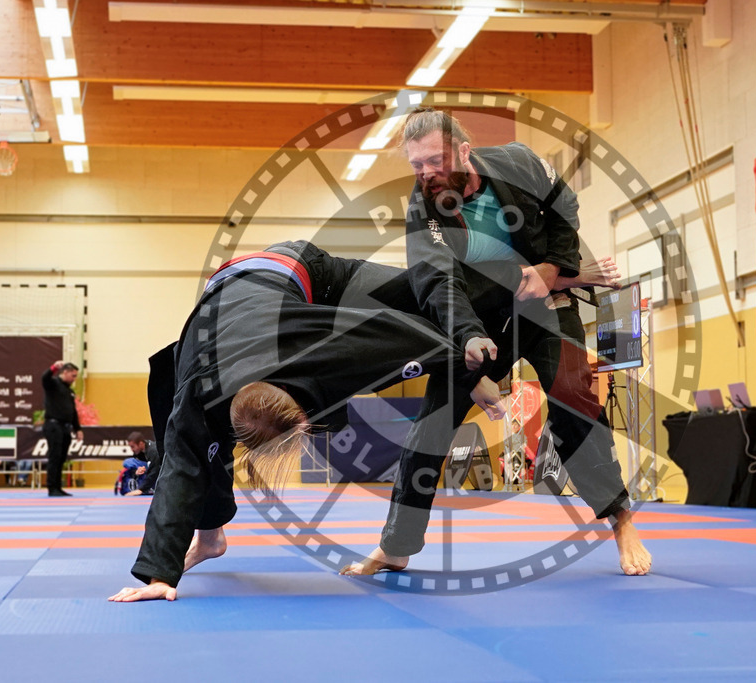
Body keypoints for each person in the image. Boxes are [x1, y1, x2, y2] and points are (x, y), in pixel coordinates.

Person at [341, 108, 651, 578]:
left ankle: (621, 519)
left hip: (545, 304)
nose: (427, 173)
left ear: (465, 151)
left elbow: (564, 206)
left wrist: (553, 270)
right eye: (417, 165)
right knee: (431, 425)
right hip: (480, 317)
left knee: (573, 399)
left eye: (436, 160)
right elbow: (436, 280)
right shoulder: (423, 208)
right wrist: (468, 337)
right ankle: (397, 546)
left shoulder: (518, 163)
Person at [109, 240, 506, 602]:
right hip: (215, 323)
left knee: (428, 290)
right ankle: (209, 537)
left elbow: (408, 333)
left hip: (306, 273)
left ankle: (515, 284)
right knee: (188, 439)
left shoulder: (327, 344)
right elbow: (180, 470)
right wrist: (159, 575)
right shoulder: (199, 389)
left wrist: (470, 372)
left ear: (302, 414)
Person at [41, 361, 83, 497]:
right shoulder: (53, 384)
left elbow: (73, 411)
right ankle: (52, 487)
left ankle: (58, 487)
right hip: (53, 425)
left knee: (61, 458)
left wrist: (78, 428)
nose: (74, 379)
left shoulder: (69, 391)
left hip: (65, 427)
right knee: (55, 456)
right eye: (73, 375)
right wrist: (53, 368)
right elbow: (44, 378)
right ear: (64, 372)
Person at [121, 431, 160, 496]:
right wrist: (136, 471)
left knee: (152, 469)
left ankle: (149, 487)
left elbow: (154, 471)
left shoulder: (153, 451)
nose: (131, 449)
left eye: (133, 447)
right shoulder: (139, 452)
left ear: (141, 443)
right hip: (150, 469)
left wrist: (141, 490)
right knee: (127, 462)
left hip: (160, 469)